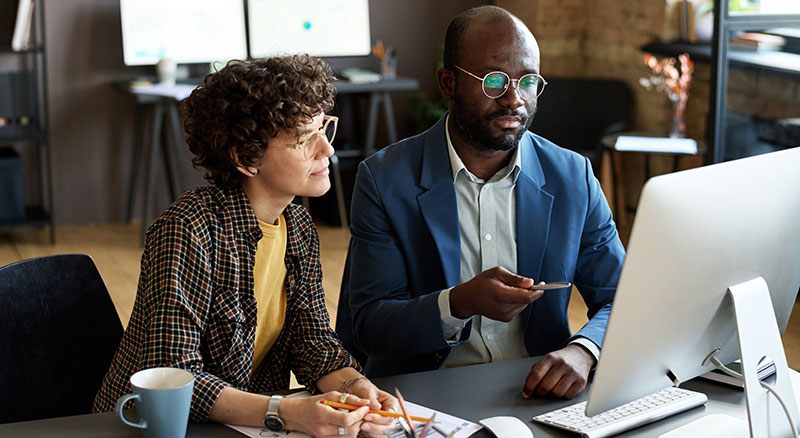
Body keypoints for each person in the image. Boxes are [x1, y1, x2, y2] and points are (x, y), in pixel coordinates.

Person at [94, 56, 395, 437]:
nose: (327, 151)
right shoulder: (189, 228)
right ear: (246, 157)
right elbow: (176, 378)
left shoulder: (299, 227)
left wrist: (356, 388)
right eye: (304, 140)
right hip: (140, 427)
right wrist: (289, 411)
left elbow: (313, 342)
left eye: (324, 129)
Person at [344, 6, 625, 400]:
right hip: (423, 395)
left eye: (528, 81)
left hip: (538, 390)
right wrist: (457, 303)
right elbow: (370, 326)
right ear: (448, 83)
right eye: (494, 80)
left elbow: (621, 296)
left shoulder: (571, 176)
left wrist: (584, 350)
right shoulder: (386, 179)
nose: (514, 99)